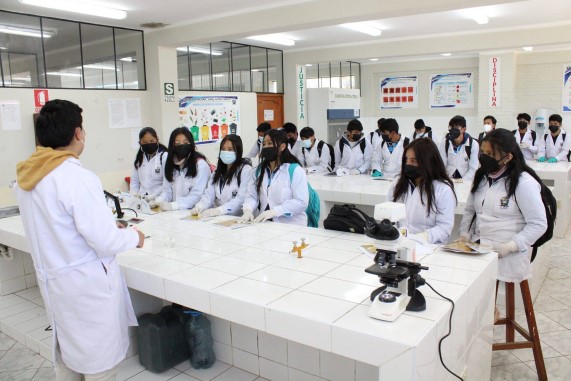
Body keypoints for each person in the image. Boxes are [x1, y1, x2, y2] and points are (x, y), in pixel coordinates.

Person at [15, 99, 145, 380]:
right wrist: (134, 236)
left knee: (68, 361)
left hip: (57, 285)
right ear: (77, 133)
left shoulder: (28, 176)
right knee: (101, 367)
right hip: (86, 289)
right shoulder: (76, 176)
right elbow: (105, 241)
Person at [458, 128, 547, 284]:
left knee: (487, 291)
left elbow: (539, 224)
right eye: (483, 152)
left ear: (507, 157)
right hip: (480, 249)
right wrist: (465, 233)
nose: (485, 157)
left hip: (509, 254)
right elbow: (470, 210)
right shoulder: (481, 177)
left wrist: (512, 246)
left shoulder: (523, 183)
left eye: (491, 154)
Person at [388, 138, 457, 244]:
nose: (408, 164)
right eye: (406, 160)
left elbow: (444, 228)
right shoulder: (397, 184)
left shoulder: (443, 189)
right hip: (399, 244)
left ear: (427, 162)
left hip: (428, 247)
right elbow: (389, 214)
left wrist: (421, 238)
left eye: (413, 161)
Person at [238, 128, 309, 226]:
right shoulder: (258, 171)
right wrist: (248, 210)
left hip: (291, 225)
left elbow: (301, 202)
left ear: (282, 146)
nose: (266, 147)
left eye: (270, 143)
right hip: (265, 225)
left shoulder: (295, 171)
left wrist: (275, 212)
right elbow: (251, 196)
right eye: (264, 144)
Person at [189, 135, 252, 217]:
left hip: (239, 217)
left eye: (230, 149)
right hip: (221, 219)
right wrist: (200, 206)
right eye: (223, 149)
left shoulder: (246, 170)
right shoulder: (216, 172)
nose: (226, 152)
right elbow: (208, 195)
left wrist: (220, 210)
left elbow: (241, 199)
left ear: (238, 151)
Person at [150, 127, 211, 211]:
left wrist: (173, 205)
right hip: (174, 213)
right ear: (173, 146)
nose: (182, 145)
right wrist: (158, 201)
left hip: (194, 212)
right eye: (178, 144)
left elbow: (197, 196)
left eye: (186, 142)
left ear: (191, 143)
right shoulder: (171, 164)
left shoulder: (201, 165)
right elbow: (167, 191)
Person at [129, 127, 168, 200]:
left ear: (157, 140)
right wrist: (134, 196)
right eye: (145, 142)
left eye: (151, 141)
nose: (148, 144)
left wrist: (153, 196)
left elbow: (167, 183)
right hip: (142, 199)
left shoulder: (164, 156)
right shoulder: (139, 158)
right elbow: (134, 181)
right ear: (140, 143)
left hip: (159, 198)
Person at [438, 115, 480, 182]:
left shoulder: (473, 144)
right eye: (451, 127)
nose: (453, 129)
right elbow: (442, 165)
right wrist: (447, 180)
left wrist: (463, 181)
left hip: (466, 180)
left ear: (464, 129)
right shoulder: (444, 143)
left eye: (456, 127)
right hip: (449, 179)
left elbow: (473, 168)